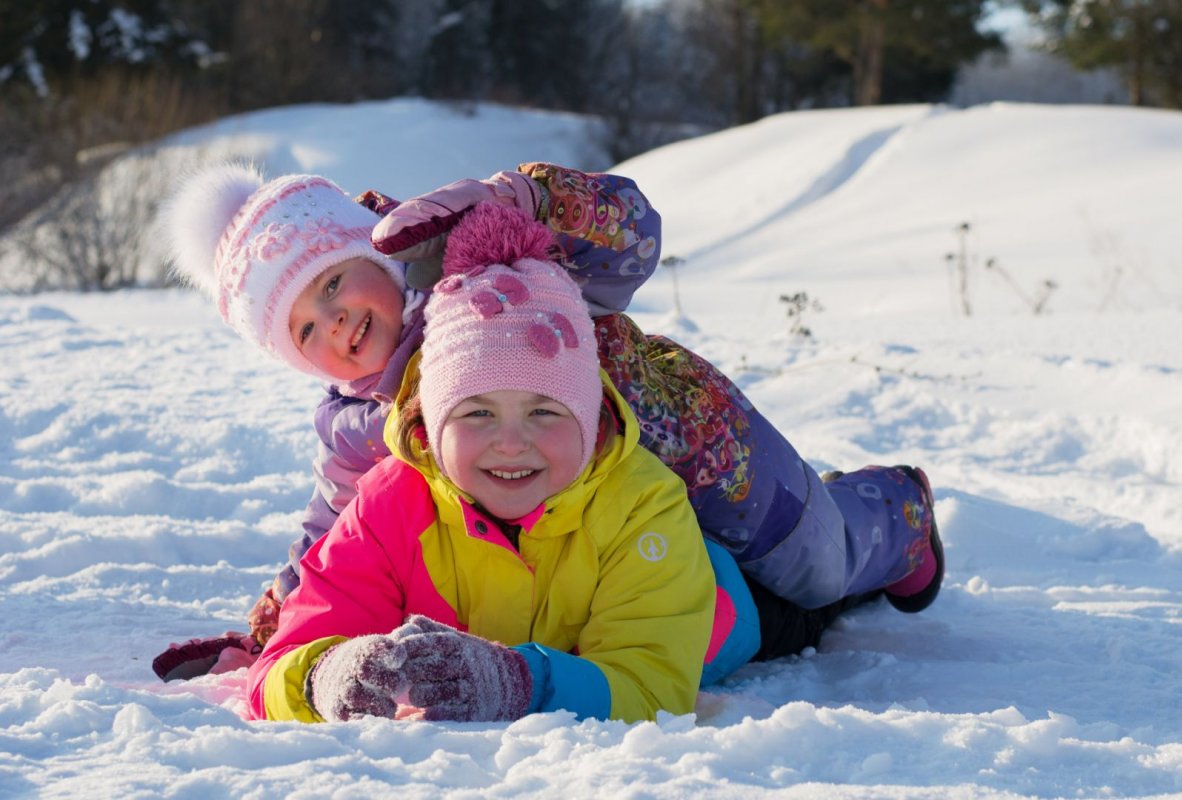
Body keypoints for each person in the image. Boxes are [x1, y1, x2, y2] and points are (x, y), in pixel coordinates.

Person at [155, 160, 942, 683]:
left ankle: (898, 512)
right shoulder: (358, 425)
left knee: (817, 566)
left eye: (331, 283)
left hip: (699, 453)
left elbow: (632, 239)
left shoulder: (475, 252)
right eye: (302, 328)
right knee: (717, 613)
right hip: (607, 520)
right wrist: (267, 635)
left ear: (374, 252)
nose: (334, 323)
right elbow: (334, 541)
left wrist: (532, 201)